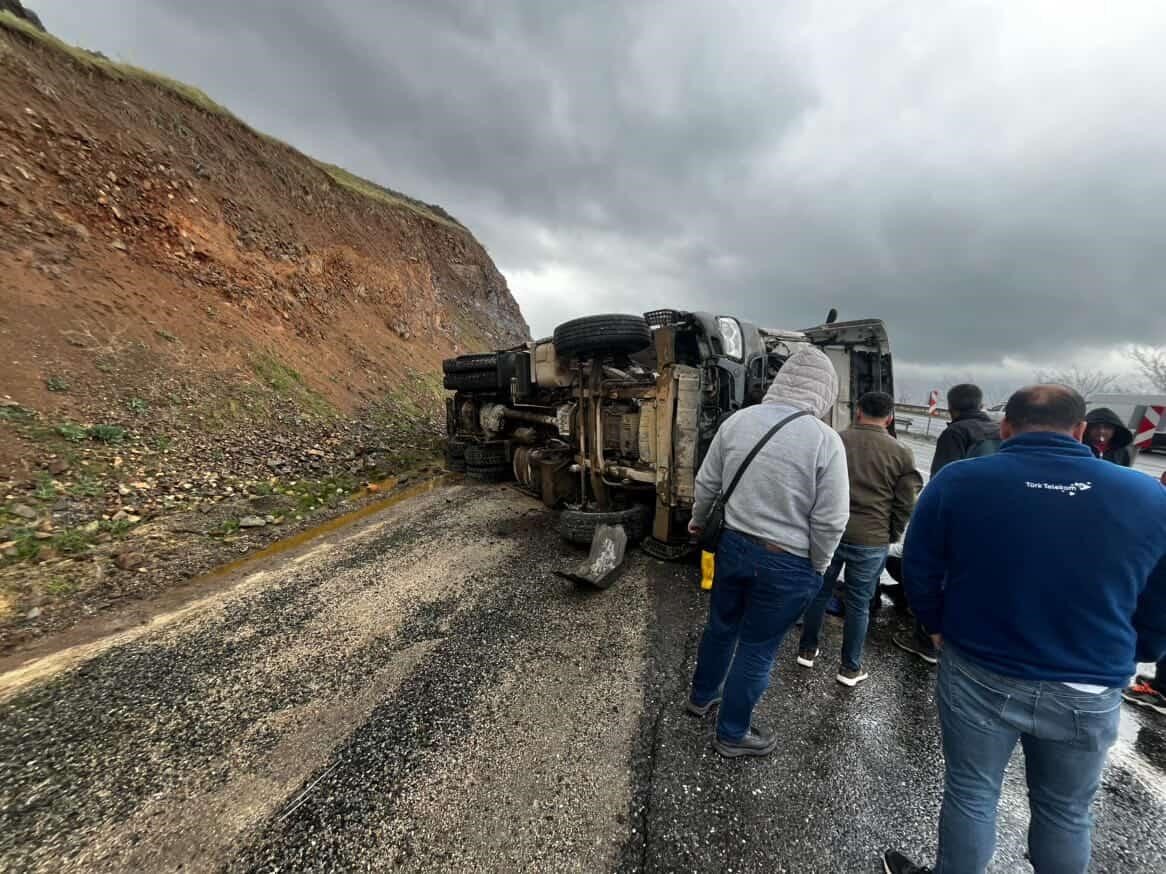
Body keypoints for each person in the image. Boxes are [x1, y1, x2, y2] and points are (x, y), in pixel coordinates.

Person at [884, 385, 1166, 874]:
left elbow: (920, 565)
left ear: (1006, 427)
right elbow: (1160, 595)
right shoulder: (1146, 496)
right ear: (1080, 430)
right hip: (1088, 681)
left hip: (979, 666)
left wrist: (934, 625)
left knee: (972, 793)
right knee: (1066, 812)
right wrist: (1138, 648)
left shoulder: (960, 481)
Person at [686, 346, 848, 758]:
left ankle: (702, 697)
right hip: (788, 563)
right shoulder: (825, 441)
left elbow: (707, 483)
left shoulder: (738, 421)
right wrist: (819, 565)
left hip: (733, 545)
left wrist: (698, 522)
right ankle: (732, 733)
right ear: (826, 391)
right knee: (757, 649)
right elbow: (831, 520)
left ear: (781, 379)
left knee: (721, 627)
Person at [797, 391, 922, 686]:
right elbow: (906, 502)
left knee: (819, 591)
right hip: (871, 538)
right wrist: (892, 532)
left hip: (830, 531)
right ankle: (849, 668)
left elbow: (812, 485)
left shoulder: (835, 440)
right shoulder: (901, 453)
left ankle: (807, 651)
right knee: (858, 604)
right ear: (889, 418)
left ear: (858, 411)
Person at [894, 384, 1003, 665]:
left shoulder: (956, 432)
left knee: (933, 573)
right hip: (992, 518)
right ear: (980, 404)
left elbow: (942, 479)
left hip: (959, 517)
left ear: (951, 407)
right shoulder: (998, 430)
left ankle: (926, 641)